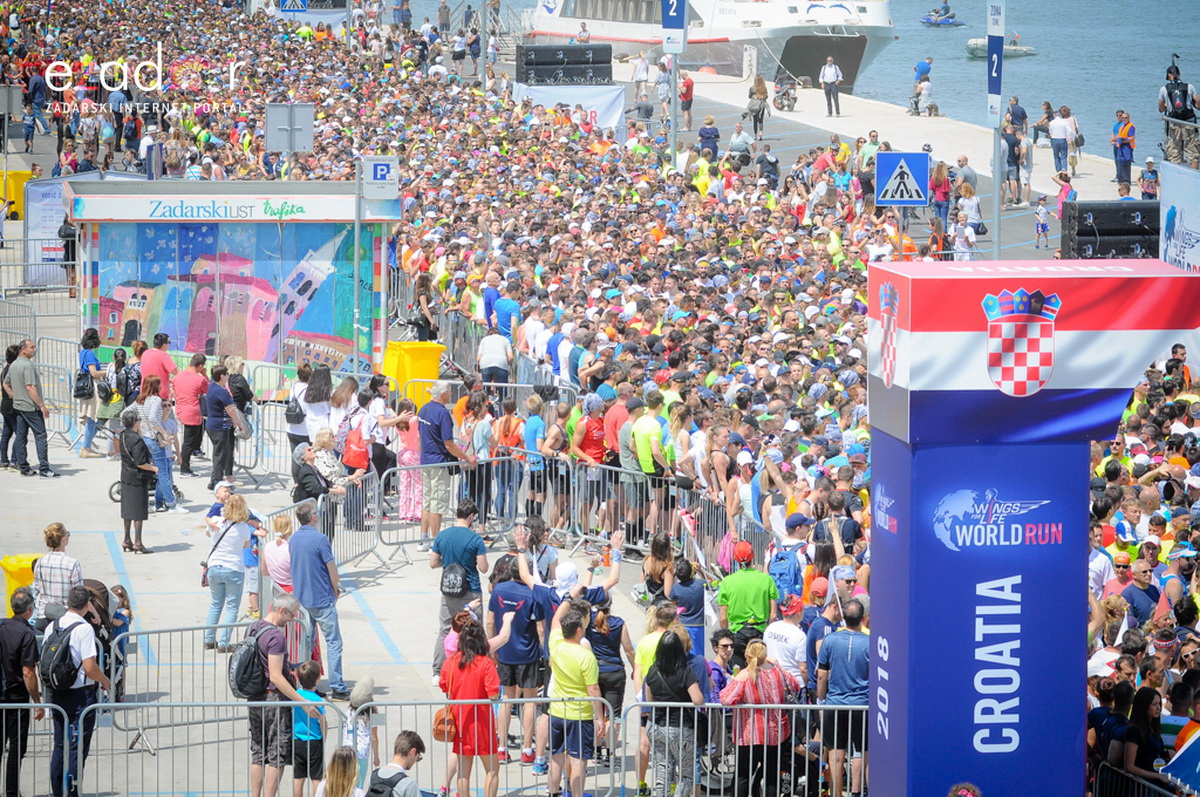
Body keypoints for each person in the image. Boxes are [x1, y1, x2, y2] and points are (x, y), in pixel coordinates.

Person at [44, 586, 111, 797]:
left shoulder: (53, 626)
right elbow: (90, 667)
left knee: (60, 747)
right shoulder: (84, 629)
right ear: (87, 604)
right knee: (77, 750)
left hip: (57, 693)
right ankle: (72, 792)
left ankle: (57, 792)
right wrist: (105, 680)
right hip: (80, 695)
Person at [719, 638, 800, 797]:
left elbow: (726, 699)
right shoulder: (776, 671)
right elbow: (795, 685)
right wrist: (777, 665)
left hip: (750, 735)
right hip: (776, 734)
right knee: (771, 776)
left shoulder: (745, 674)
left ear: (747, 655)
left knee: (743, 775)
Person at [291, 501, 350, 701]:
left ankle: (308, 684)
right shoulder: (320, 539)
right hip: (322, 599)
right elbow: (332, 569)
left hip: (302, 599)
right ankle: (338, 687)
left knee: (306, 644)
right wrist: (336, 588)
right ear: (313, 517)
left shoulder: (294, 539)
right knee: (333, 643)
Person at [547, 596, 602, 797]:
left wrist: (568, 599)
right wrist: (599, 717)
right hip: (580, 714)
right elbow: (593, 689)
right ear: (579, 630)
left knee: (556, 757)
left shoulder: (556, 645)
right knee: (579, 759)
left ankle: (553, 793)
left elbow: (554, 620)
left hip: (557, 710)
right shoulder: (585, 655)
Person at [430, 499, 490, 686]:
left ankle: (438, 671)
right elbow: (483, 568)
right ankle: (475, 668)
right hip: (470, 590)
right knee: (473, 630)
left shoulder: (442, 535)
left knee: (446, 629)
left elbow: (433, 563)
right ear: (471, 516)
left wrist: (447, 563)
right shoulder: (475, 539)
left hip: (449, 590)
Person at [440, 619, 500, 797]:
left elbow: (444, 685)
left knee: (463, 772)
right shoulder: (486, 664)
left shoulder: (451, 662)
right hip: (482, 722)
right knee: (492, 769)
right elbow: (494, 693)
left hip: (460, 721)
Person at [817, 596, 870, 797]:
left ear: (843, 617)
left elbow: (822, 675)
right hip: (862, 706)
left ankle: (836, 794)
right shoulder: (870, 643)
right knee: (865, 754)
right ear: (863, 618)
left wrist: (821, 701)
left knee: (836, 754)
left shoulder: (830, 640)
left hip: (835, 705)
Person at [643, 629, 705, 797]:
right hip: (681, 727)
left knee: (662, 769)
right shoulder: (685, 671)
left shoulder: (652, 670)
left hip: (656, 725)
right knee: (686, 772)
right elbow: (697, 699)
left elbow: (649, 699)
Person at [417, 381, 475, 550]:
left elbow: (421, 435)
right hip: (439, 462)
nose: (450, 394)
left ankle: (423, 539)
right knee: (437, 503)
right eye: (449, 392)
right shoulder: (442, 414)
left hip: (426, 460)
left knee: (427, 501)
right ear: (443, 394)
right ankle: (435, 542)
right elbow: (448, 443)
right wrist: (466, 457)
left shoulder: (424, 409)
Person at [0, 587, 42, 797]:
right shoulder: (26, 633)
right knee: (16, 748)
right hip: (16, 699)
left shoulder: (1, 625)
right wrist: (36, 699)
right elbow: (28, 672)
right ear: (30, 609)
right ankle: (11, 792)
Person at [204, 494, 254, 653]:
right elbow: (246, 545)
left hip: (214, 566)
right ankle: (224, 642)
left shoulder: (217, 522)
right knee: (232, 607)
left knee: (215, 603)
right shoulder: (243, 528)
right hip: (233, 568)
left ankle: (209, 639)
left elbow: (208, 533)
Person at [4, 338, 56, 477]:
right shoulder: (27, 366)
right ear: (23, 349)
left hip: (19, 406)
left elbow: (5, 383)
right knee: (40, 436)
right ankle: (44, 468)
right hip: (30, 407)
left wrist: (14, 396)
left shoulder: (14, 364)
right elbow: (30, 387)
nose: (34, 349)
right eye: (32, 347)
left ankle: (24, 467)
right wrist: (42, 406)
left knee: (21, 436)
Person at [134, 375, 185, 514]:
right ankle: (171, 503)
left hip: (145, 437)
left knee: (154, 471)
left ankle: (157, 502)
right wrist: (163, 433)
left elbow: (125, 413)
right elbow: (152, 419)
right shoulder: (155, 400)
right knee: (163, 473)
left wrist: (138, 427)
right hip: (153, 438)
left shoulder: (140, 400)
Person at [716, 540, 779, 634]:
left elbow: (723, 618)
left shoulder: (727, 581)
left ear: (734, 558)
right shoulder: (767, 579)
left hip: (737, 631)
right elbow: (773, 615)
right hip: (760, 630)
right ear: (753, 556)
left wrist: (726, 636)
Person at [117, 407, 157, 553]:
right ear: (135, 423)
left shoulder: (122, 435)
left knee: (127, 510)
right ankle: (138, 542)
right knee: (138, 512)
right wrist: (153, 469)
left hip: (126, 476)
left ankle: (127, 539)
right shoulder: (137, 440)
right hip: (137, 478)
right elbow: (140, 462)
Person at [32, 523, 82, 630]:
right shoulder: (72, 563)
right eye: (68, 534)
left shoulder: (40, 562)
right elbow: (79, 594)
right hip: (65, 618)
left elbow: (37, 589)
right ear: (63, 540)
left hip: (43, 616)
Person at [1122, 686, 1171, 788]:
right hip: (1142, 787)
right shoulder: (1135, 730)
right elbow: (1129, 766)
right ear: (1144, 706)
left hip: (1155, 785)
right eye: (1154, 704)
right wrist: (1157, 776)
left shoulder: (1153, 728)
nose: (1158, 708)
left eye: (1159, 704)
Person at [205, 364, 244, 492]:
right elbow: (231, 410)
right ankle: (217, 482)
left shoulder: (212, 387)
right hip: (219, 426)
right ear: (222, 376)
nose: (228, 376)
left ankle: (213, 481)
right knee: (220, 455)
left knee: (219, 454)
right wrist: (239, 423)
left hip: (215, 425)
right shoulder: (221, 391)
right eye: (226, 374)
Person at [292, 661, 328, 797]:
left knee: (298, 777)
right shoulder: (317, 699)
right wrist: (324, 737)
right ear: (317, 679)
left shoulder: (295, 696)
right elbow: (323, 722)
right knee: (317, 778)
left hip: (298, 740)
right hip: (314, 740)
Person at [1159, 63, 1200, 170]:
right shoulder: (1189, 87)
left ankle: (1176, 178)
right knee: (1193, 153)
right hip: (1189, 122)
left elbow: (1160, 109)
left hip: (1174, 123)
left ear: (1168, 75)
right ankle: (1194, 179)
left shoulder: (1164, 89)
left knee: (1175, 152)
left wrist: (1166, 105)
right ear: (1179, 74)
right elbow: (1198, 103)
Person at [175, 354, 209, 476]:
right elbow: (210, 391)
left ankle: (186, 463)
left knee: (190, 440)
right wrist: (205, 375)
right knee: (188, 442)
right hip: (193, 412)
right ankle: (184, 469)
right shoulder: (200, 379)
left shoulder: (178, 376)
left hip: (181, 409)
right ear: (200, 366)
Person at [75, 327, 106, 458]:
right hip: (93, 387)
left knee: (93, 418)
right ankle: (86, 447)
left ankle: (86, 445)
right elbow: (93, 372)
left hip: (86, 388)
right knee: (95, 417)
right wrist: (108, 371)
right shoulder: (90, 354)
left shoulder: (82, 352)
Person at [366, 730, 425, 797]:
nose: (415, 761)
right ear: (413, 752)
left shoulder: (372, 777)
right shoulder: (408, 785)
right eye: (418, 757)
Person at [139, 332, 176, 401]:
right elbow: (175, 372)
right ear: (164, 344)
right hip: (160, 394)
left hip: (145, 391)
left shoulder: (145, 353)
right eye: (169, 342)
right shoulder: (163, 355)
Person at [285, 363, 312, 450]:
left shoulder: (294, 387)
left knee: (295, 459)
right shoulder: (310, 390)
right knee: (306, 460)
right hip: (304, 430)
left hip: (291, 428)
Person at [1111, 109, 1136, 185]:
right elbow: (1118, 135)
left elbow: (1132, 137)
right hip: (1120, 147)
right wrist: (1114, 139)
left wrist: (1123, 141)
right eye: (1123, 118)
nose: (1124, 119)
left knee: (1126, 165)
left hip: (1127, 147)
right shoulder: (1121, 127)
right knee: (1119, 163)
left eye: (1125, 118)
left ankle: (1126, 182)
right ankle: (1120, 181)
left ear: (1129, 118)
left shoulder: (1131, 126)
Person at [747, 75, 768, 140]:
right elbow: (766, 96)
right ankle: (760, 134)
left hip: (754, 105)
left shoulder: (752, 88)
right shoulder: (764, 88)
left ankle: (755, 135)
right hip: (761, 105)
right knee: (761, 120)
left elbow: (749, 96)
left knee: (755, 120)